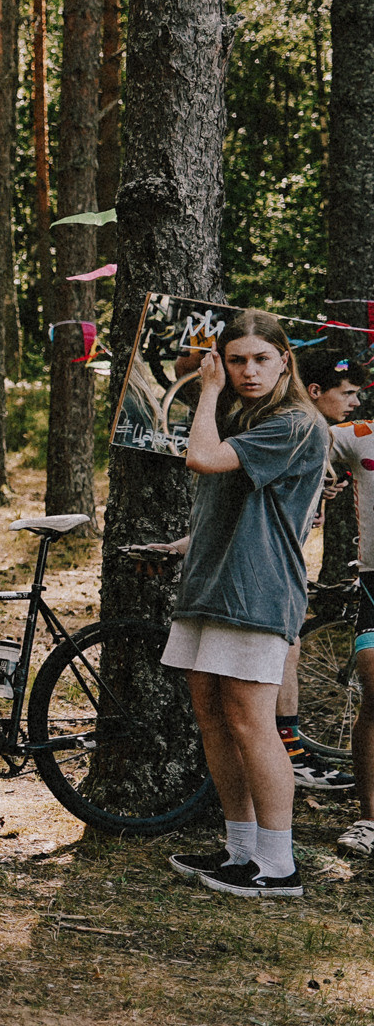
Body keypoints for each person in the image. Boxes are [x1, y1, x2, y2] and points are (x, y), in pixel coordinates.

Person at [156, 309, 328, 899]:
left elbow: (202, 458)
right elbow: (241, 505)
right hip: (212, 584)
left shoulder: (297, 423)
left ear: (285, 359)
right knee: (213, 716)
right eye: (235, 361)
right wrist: (185, 543)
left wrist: (206, 391)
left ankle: (279, 867)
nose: (247, 371)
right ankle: (241, 850)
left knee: (253, 724)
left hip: (257, 591)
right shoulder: (249, 417)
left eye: (260, 359)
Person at [278, 347, 363, 791]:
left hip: (283, 558)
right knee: (285, 648)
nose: (355, 402)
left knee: (288, 648)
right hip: (266, 562)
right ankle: (290, 754)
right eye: (346, 393)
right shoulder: (297, 431)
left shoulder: (316, 438)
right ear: (314, 392)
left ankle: (291, 750)